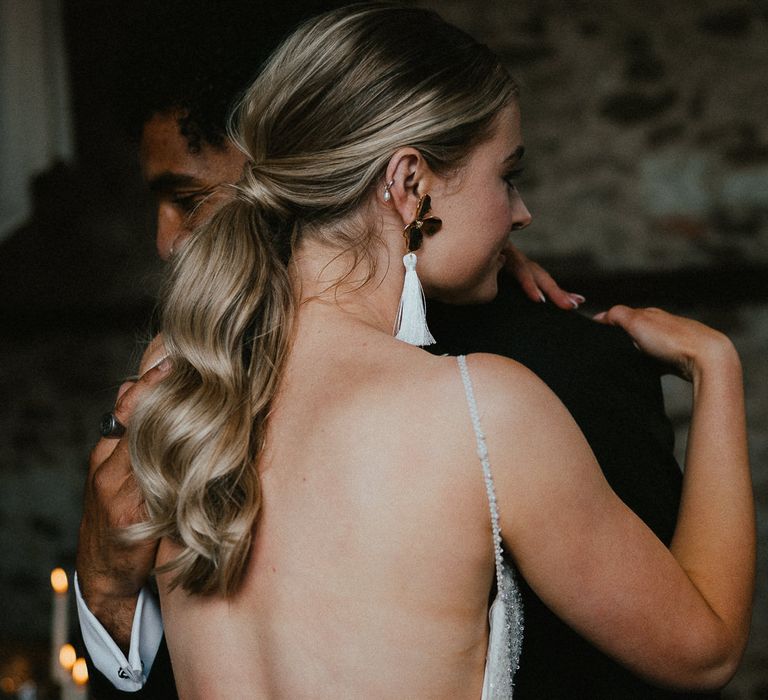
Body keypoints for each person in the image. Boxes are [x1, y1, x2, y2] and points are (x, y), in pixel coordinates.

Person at [75, 4, 753, 699]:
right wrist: (715, 367)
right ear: (406, 183)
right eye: (506, 175)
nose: (520, 214)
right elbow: (703, 656)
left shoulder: (188, 388)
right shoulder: (484, 410)